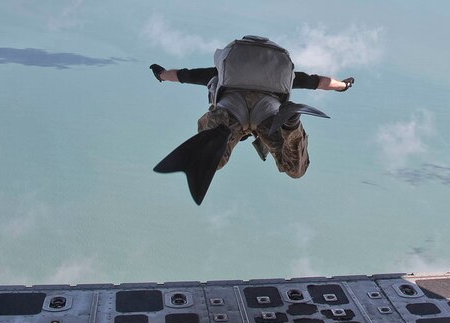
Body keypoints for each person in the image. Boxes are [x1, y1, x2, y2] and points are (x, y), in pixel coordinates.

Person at [149, 35, 353, 204]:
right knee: (295, 169)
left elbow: (183, 75)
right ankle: (291, 125)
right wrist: (343, 86)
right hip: (269, 113)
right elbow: (318, 81)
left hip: (229, 112)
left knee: (213, 159)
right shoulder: (283, 78)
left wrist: (161, 75)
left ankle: (220, 130)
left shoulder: (219, 73)